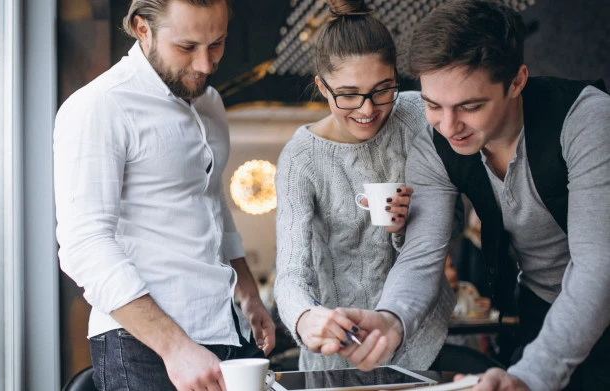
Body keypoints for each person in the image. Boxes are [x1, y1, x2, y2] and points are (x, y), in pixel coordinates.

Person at [336, 1, 610, 390]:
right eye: (433, 105)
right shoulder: (435, 146)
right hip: (542, 308)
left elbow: (598, 267)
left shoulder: (586, 119)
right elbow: (421, 255)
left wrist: (531, 374)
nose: (449, 126)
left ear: (517, 82)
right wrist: (391, 318)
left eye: (470, 106)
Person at [53, 0, 276, 389]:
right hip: (144, 343)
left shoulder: (211, 103)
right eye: (187, 47)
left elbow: (211, 201)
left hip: (225, 329)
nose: (205, 65)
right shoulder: (100, 106)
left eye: (217, 44)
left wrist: (248, 293)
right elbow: (84, 244)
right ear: (142, 28)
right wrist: (175, 348)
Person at [273, 0, 454, 372]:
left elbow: (453, 204)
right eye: (349, 94)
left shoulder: (418, 114)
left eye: (383, 89)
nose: (368, 109)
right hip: (338, 350)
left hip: (422, 338)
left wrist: (403, 228)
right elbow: (290, 274)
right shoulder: (301, 158)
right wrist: (305, 317)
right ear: (322, 86)